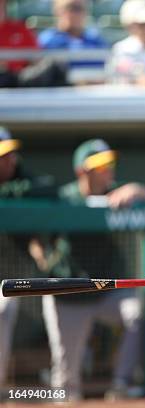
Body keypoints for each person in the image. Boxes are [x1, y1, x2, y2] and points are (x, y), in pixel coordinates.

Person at [30, 139, 145, 401]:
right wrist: (43, 258)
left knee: (135, 314)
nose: (108, 171)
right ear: (82, 171)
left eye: (109, 165)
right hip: (68, 294)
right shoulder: (64, 198)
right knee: (66, 382)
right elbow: (33, 233)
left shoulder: (115, 192)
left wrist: (137, 190)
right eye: (100, 167)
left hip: (107, 290)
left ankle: (121, 384)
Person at [0, 127, 56, 399]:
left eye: (11, 155)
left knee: (3, 310)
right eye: (3, 157)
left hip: (10, 277)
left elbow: (47, 186)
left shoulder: (21, 177)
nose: (9, 161)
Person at [38, 0, 107, 69]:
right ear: (57, 10)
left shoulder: (96, 40)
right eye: (71, 8)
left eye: (80, 8)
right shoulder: (46, 41)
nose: (76, 14)